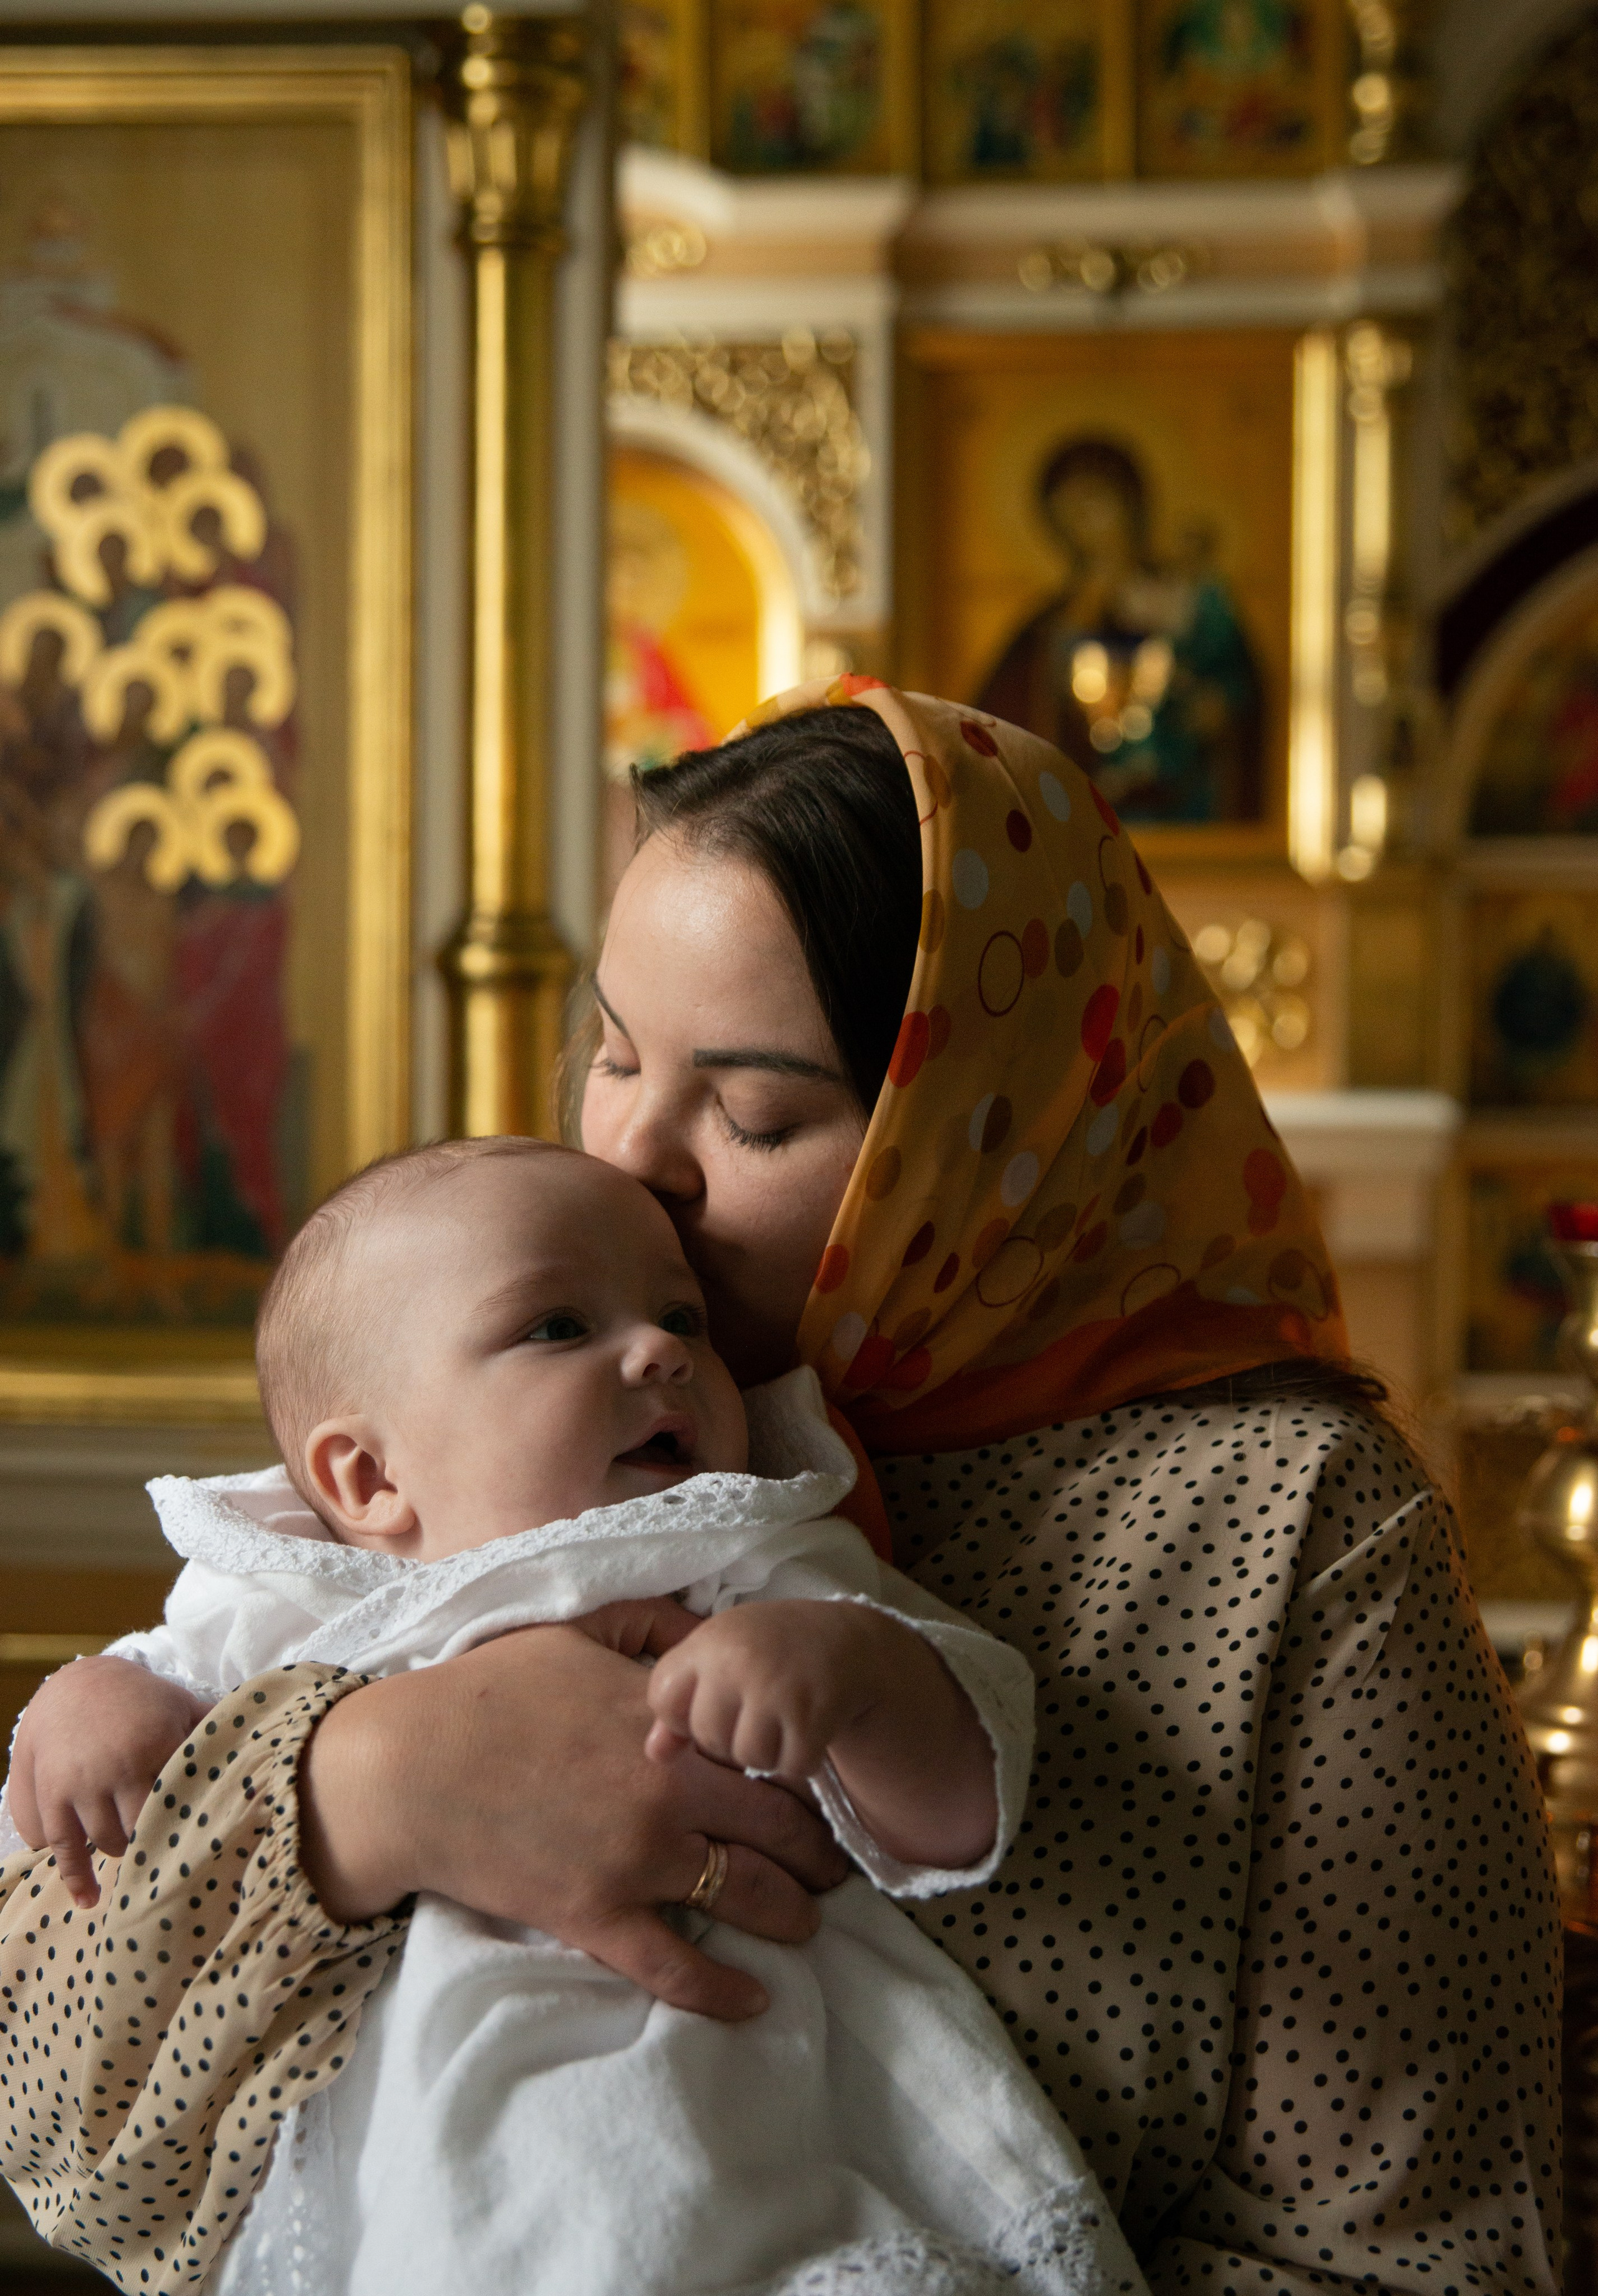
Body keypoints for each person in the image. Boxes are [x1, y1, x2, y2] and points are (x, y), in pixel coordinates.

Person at [0, 680, 1561, 2296]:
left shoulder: (1286, 1526)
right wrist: (368, 1787)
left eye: (753, 1112)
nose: (632, 1157)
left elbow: (1411, 2249)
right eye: (613, 1054)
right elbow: (59, 2133)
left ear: (985, 1131)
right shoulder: (470, 1382)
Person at [7, 1135, 1129, 2296]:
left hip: (737, 2102)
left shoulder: (733, 1551)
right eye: (557, 1325)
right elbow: (141, 1757)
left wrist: (853, 1667)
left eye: (682, 1316)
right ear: (369, 1479)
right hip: (413, 2164)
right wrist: (93, 1698)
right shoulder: (287, 1592)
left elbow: (961, 1811)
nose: (662, 1351)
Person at [975, 439, 1263, 825]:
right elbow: (999, 724)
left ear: (1131, 503)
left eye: (1095, 503)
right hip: (1083, 811)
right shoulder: (1049, 625)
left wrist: (1211, 706)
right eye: (1069, 514)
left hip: (1180, 804)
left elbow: (1237, 687)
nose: (1085, 525)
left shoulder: (1193, 598)